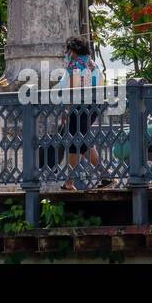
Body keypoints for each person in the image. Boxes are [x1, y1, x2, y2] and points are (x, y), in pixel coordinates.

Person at [62, 36, 103, 191]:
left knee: (78, 140)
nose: (67, 53)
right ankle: (69, 182)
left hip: (81, 106)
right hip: (94, 104)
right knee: (79, 141)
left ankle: (107, 174)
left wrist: (67, 109)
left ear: (73, 50)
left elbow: (74, 89)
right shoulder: (91, 62)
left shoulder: (76, 63)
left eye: (68, 50)